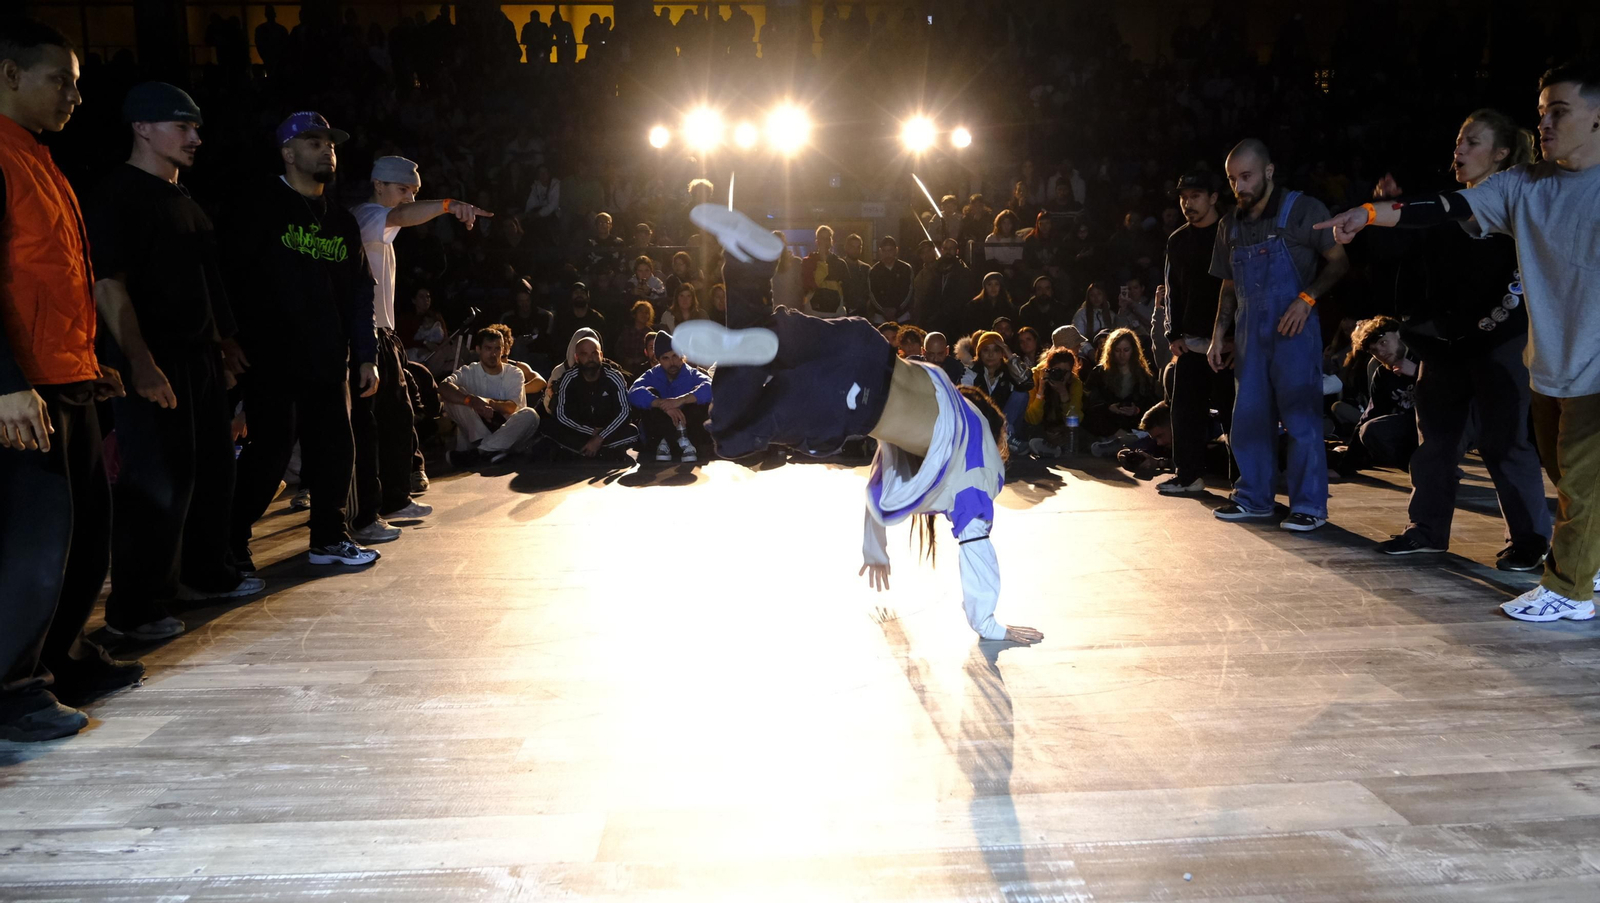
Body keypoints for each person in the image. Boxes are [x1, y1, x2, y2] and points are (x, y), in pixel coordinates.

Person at [673, 203, 1043, 646]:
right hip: (853, 398)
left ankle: (753, 264)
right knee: (731, 436)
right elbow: (973, 542)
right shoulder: (980, 468)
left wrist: (876, 547)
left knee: (765, 330)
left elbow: (877, 484)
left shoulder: (947, 389)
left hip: (863, 341)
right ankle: (739, 362)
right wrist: (989, 622)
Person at [1318, 57, 1600, 620]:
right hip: (1551, 364)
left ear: (1597, 119)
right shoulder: (1523, 185)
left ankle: (1569, 588)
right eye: (1542, 113)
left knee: (1581, 470)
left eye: (1560, 112)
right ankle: (1590, 558)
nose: (1544, 124)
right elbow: (1448, 205)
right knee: (1564, 473)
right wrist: (1371, 212)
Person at [0, 17, 143, 742]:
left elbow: (53, 277)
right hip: (24, 389)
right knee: (35, 542)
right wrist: (4, 381)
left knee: (88, 537)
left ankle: (62, 656)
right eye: (62, 80)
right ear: (9, 76)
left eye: (79, 84)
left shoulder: (38, 157)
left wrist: (93, 361)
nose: (75, 97)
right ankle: (11, 689)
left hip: (69, 376)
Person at [84, 82, 258, 641]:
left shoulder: (184, 198)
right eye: (182, 127)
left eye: (196, 127)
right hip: (156, 361)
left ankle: (203, 577)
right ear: (142, 128)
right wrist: (139, 362)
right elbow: (109, 286)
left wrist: (226, 341)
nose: (195, 138)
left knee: (213, 470)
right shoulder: (119, 195)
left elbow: (208, 279)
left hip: (201, 355)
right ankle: (134, 609)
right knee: (158, 481)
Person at [1365, 111, 1552, 567]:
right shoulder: (1442, 205)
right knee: (1436, 442)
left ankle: (1529, 540)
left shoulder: (1516, 204)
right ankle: (1426, 529)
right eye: (1458, 141)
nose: (1459, 150)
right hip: (1443, 345)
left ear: (1502, 153)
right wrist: (1385, 210)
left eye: (1472, 142)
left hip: (1500, 340)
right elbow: (1397, 261)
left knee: (1504, 441)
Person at [226, 111, 381, 569]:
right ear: (288, 153)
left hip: (328, 357)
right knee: (269, 454)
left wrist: (366, 355)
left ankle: (329, 540)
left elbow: (360, 291)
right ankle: (231, 544)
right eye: (314, 142)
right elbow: (229, 277)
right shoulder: (258, 206)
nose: (327, 149)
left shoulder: (342, 222)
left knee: (335, 450)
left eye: (330, 143)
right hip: (271, 358)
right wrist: (228, 339)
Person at [1207, 138, 1350, 532]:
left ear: (1269, 172)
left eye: (1247, 176)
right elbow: (1229, 285)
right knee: (1249, 418)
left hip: (1294, 329)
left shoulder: (1304, 210)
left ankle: (1309, 507)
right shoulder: (1228, 224)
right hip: (1251, 332)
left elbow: (1339, 263)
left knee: (1301, 419)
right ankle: (1253, 498)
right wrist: (1220, 334)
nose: (1240, 186)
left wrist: (1307, 297)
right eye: (1233, 179)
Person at [349, 155, 489, 535]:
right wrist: (447, 205)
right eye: (403, 189)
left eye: (414, 191)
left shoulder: (382, 226)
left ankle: (395, 498)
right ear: (378, 185)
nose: (409, 197)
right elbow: (401, 217)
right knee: (368, 428)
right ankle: (362, 517)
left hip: (385, 334)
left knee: (398, 419)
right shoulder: (365, 216)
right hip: (363, 337)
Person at [1160, 170, 1234, 495]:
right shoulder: (1177, 240)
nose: (1188, 203)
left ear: (1214, 197)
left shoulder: (1232, 232)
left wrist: (1236, 338)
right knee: (1185, 410)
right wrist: (1173, 334)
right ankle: (1188, 475)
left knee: (1234, 413)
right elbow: (1172, 290)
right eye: (1184, 197)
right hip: (1191, 342)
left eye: (1196, 196)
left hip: (1229, 342)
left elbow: (1243, 289)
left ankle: (1245, 484)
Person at [440, 328, 543, 467]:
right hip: (478, 431)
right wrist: (471, 400)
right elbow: (443, 387)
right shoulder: (469, 371)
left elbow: (512, 407)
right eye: (488, 348)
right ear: (478, 349)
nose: (493, 354)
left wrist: (489, 403)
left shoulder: (514, 372)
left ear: (503, 350)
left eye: (497, 349)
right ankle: (491, 450)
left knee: (531, 415)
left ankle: (479, 453)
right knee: (454, 398)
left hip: (509, 433)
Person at [1344, 317, 1418, 470]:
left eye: (1383, 343)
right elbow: (1372, 414)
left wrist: (1418, 372)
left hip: (1444, 423)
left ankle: (1438, 466)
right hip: (1411, 427)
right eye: (1374, 351)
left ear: (1398, 334)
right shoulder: (1383, 374)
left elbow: (1456, 387)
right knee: (1371, 429)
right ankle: (1421, 468)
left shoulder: (1424, 355)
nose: (1381, 352)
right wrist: (1345, 466)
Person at [544, 335, 636, 458]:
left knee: (632, 431)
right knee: (550, 427)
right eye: (584, 354)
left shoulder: (614, 377)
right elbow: (562, 415)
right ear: (576, 358)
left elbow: (624, 412)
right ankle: (604, 452)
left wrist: (600, 437)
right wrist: (591, 432)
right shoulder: (568, 378)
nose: (590, 358)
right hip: (581, 431)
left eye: (594, 353)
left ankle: (584, 451)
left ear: (601, 356)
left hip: (607, 431)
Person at [628, 330, 712, 462]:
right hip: (660, 430)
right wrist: (662, 404)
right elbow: (633, 392)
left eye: (675, 356)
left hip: (688, 428)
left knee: (698, 396)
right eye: (665, 358)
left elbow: (710, 387)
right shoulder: (653, 374)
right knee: (649, 393)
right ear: (658, 360)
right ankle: (667, 440)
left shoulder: (691, 374)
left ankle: (675, 441)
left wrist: (680, 400)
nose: (672, 362)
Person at [1083, 328, 1161, 440]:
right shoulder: (1099, 372)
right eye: (1117, 350)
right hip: (1108, 421)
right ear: (1111, 351)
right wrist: (1108, 407)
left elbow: (1151, 403)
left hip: (1133, 422)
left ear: (1133, 350)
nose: (1122, 355)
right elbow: (1090, 400)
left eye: (1126, 350)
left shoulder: (1143, 374)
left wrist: (1136, 410)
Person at [961, 330, 1030, 449]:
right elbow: (965, 397)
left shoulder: (1010, 372)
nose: (990, 355)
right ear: (979, 353)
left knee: (1021, 394)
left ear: (1002, 353)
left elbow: (1027, 383)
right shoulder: (971, 372)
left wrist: (1009, 355)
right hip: (982, 425)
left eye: (996, 350)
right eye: (986, 350)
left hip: (1008, 423)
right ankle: (1001, 441)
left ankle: (1006, 437)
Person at [1023, 347, 1084, 458]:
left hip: (1062, 428)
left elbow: (1076, 420)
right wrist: (1041, 390)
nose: (1061, 376)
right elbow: (1032, 419)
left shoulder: (1075, 383)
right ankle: (1051, 448)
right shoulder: (1036, 377)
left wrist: (1064, 394)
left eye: (1065, 372)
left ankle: (1054, 449)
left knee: (1081, 434)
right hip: (1041, 427)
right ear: (1048, 369)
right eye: (1057, 371)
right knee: (1032, 433)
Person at [801, 224, 847, 315]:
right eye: (822, 238)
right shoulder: (808, 262)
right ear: (817, 241)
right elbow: (811, 286)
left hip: (835, 314)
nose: (825, 242)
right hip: (814, 313)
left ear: (831, 241)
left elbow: (846, 290)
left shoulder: (840, 263)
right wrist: (822, 261)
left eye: (828, 239)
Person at [869, 235, 914, 324]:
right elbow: (872, 294)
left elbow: (909, 292)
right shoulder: (874, 271)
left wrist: (897, 309)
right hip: (880, 317)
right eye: (884, 251)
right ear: (880, 251)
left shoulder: (906, 268)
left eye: (890, 250)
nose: (887, 254)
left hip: (902, 315)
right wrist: (884, 310)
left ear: (896, 250)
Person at [553, 281, 606, 352]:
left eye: (582, 293)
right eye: (576, 293)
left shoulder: (597, 319)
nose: (579, 295)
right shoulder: (563, 319)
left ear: (588, 297)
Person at [962, 272, 1017, 339]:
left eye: (996, 284)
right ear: (985, 287)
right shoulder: (974, 306)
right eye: (989, 284)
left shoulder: (1009, 308)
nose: (993, 288)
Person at [613, 300, 655, 375]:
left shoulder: (651, 334)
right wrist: (626, 360)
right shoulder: (626, 331)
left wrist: (639, 360)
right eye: (640, 311)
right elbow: (618, 349)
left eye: (646, 312)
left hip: (644, 370)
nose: (643, 314)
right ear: (634, 314)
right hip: (625, 368)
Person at [838, 233, 875, 318]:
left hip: (862, 314)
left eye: (858, 247)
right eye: (852, 247)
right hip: (842, 314)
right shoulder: (839, 266)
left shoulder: (866, 269)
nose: (856, 250)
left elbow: (871, 293)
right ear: (846, 247)